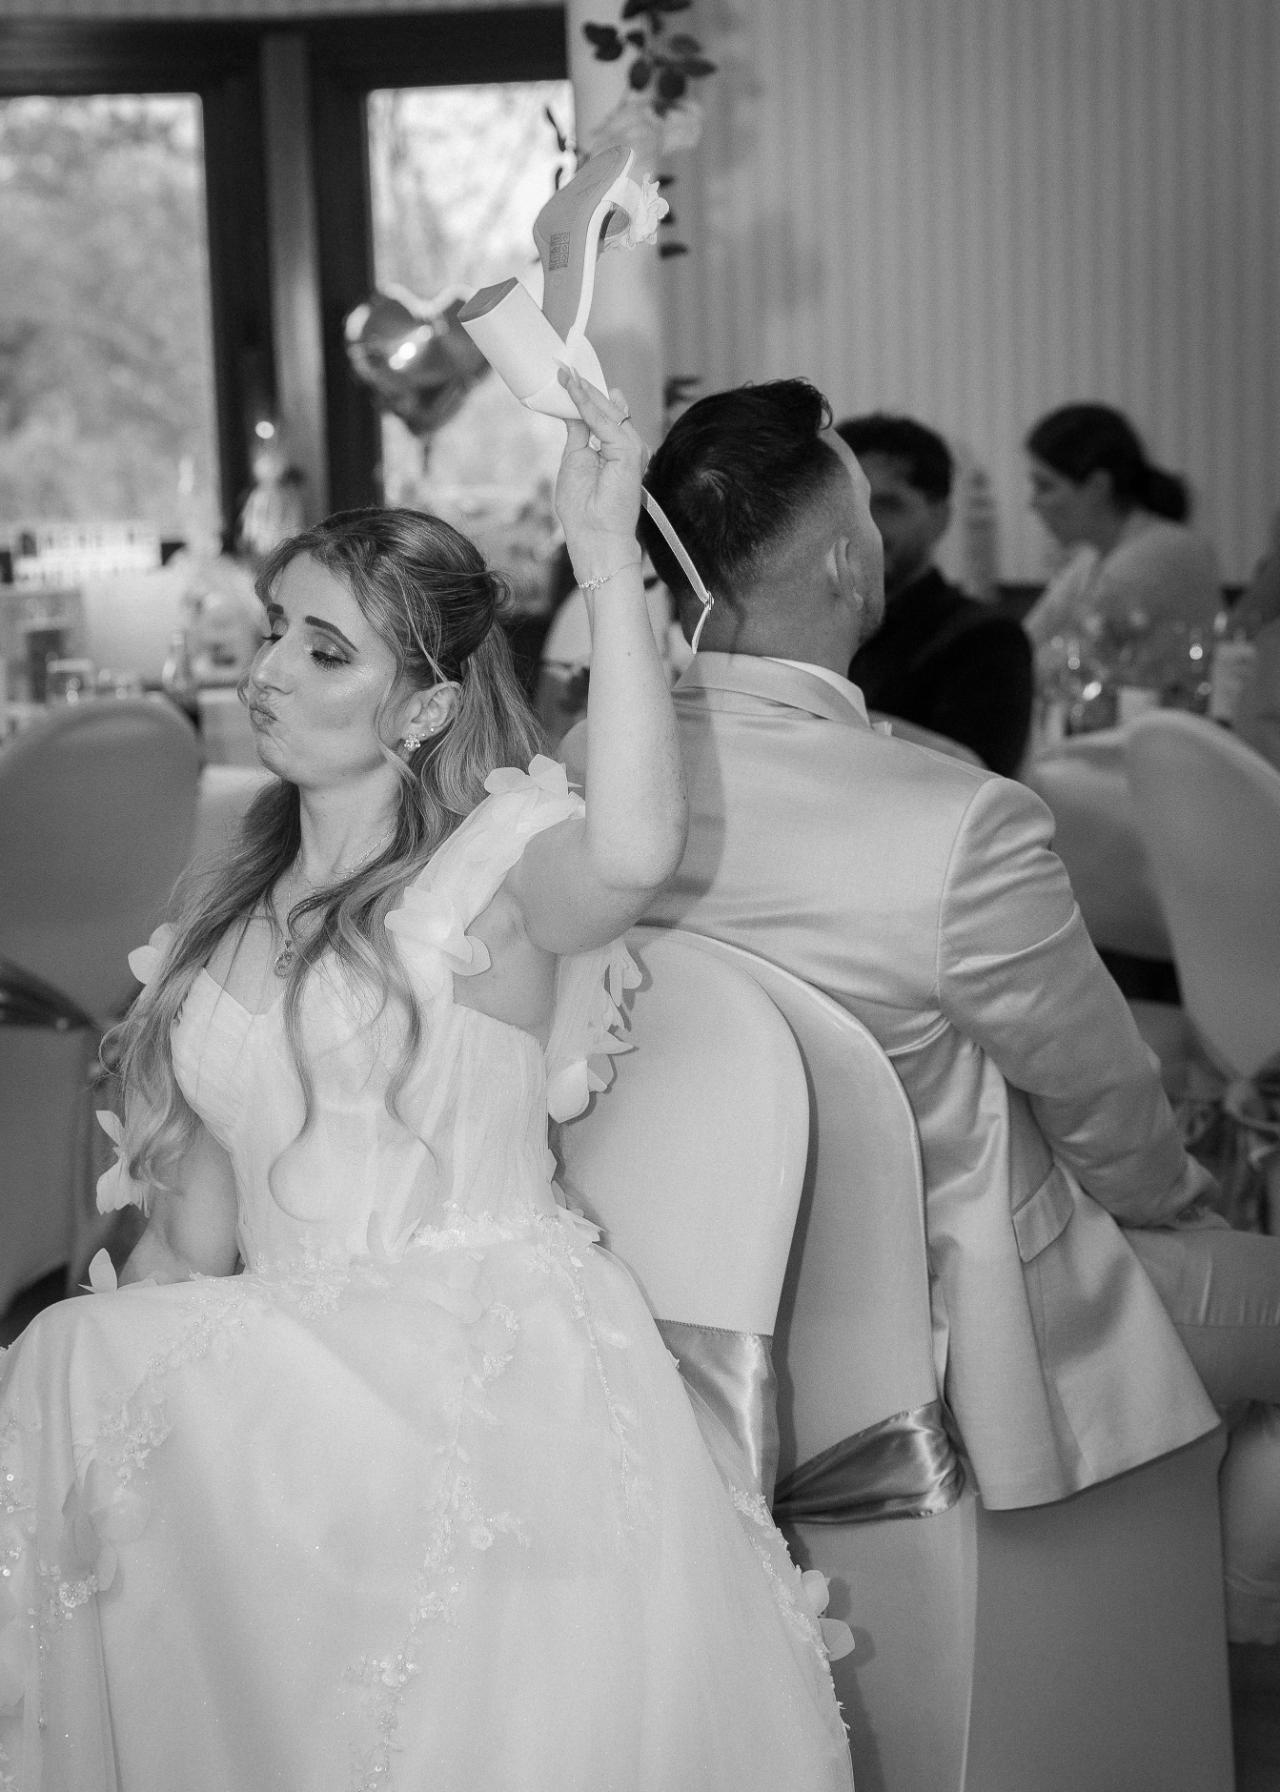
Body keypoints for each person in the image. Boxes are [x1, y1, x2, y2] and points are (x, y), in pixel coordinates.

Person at [0, 371, 855, 1792]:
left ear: (422, 708)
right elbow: (200, 1230)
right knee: (66, 1382)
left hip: (470, 1375)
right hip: (281, 1384)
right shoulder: (224, 903)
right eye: (275, 632)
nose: (269, 669)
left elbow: (637, 853)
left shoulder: (493, 871)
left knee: (72, 1377)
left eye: (325, 651)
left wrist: (599, 555)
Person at [563, 377, 1280, 1648]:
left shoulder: (587, 788)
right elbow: (1111, 1117)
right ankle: (1203, 1672)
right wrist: (1187, 1208)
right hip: (942, 1342)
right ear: (850, 559)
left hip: (664, 1320)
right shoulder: (951, 822)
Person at [836, 413, 1032, 775]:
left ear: (940, 517)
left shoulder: (986, 638)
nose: (865, 525)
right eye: (847, 504)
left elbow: (985, 783)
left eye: (887, 504)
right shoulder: (812, 624)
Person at [1021, 402, 1222, 660]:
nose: (1033, 503)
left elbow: (1066, 668)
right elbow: (1021, 646)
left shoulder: (1159, 553)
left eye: (1045, 486)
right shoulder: (1092, 558)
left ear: (1097, 486)